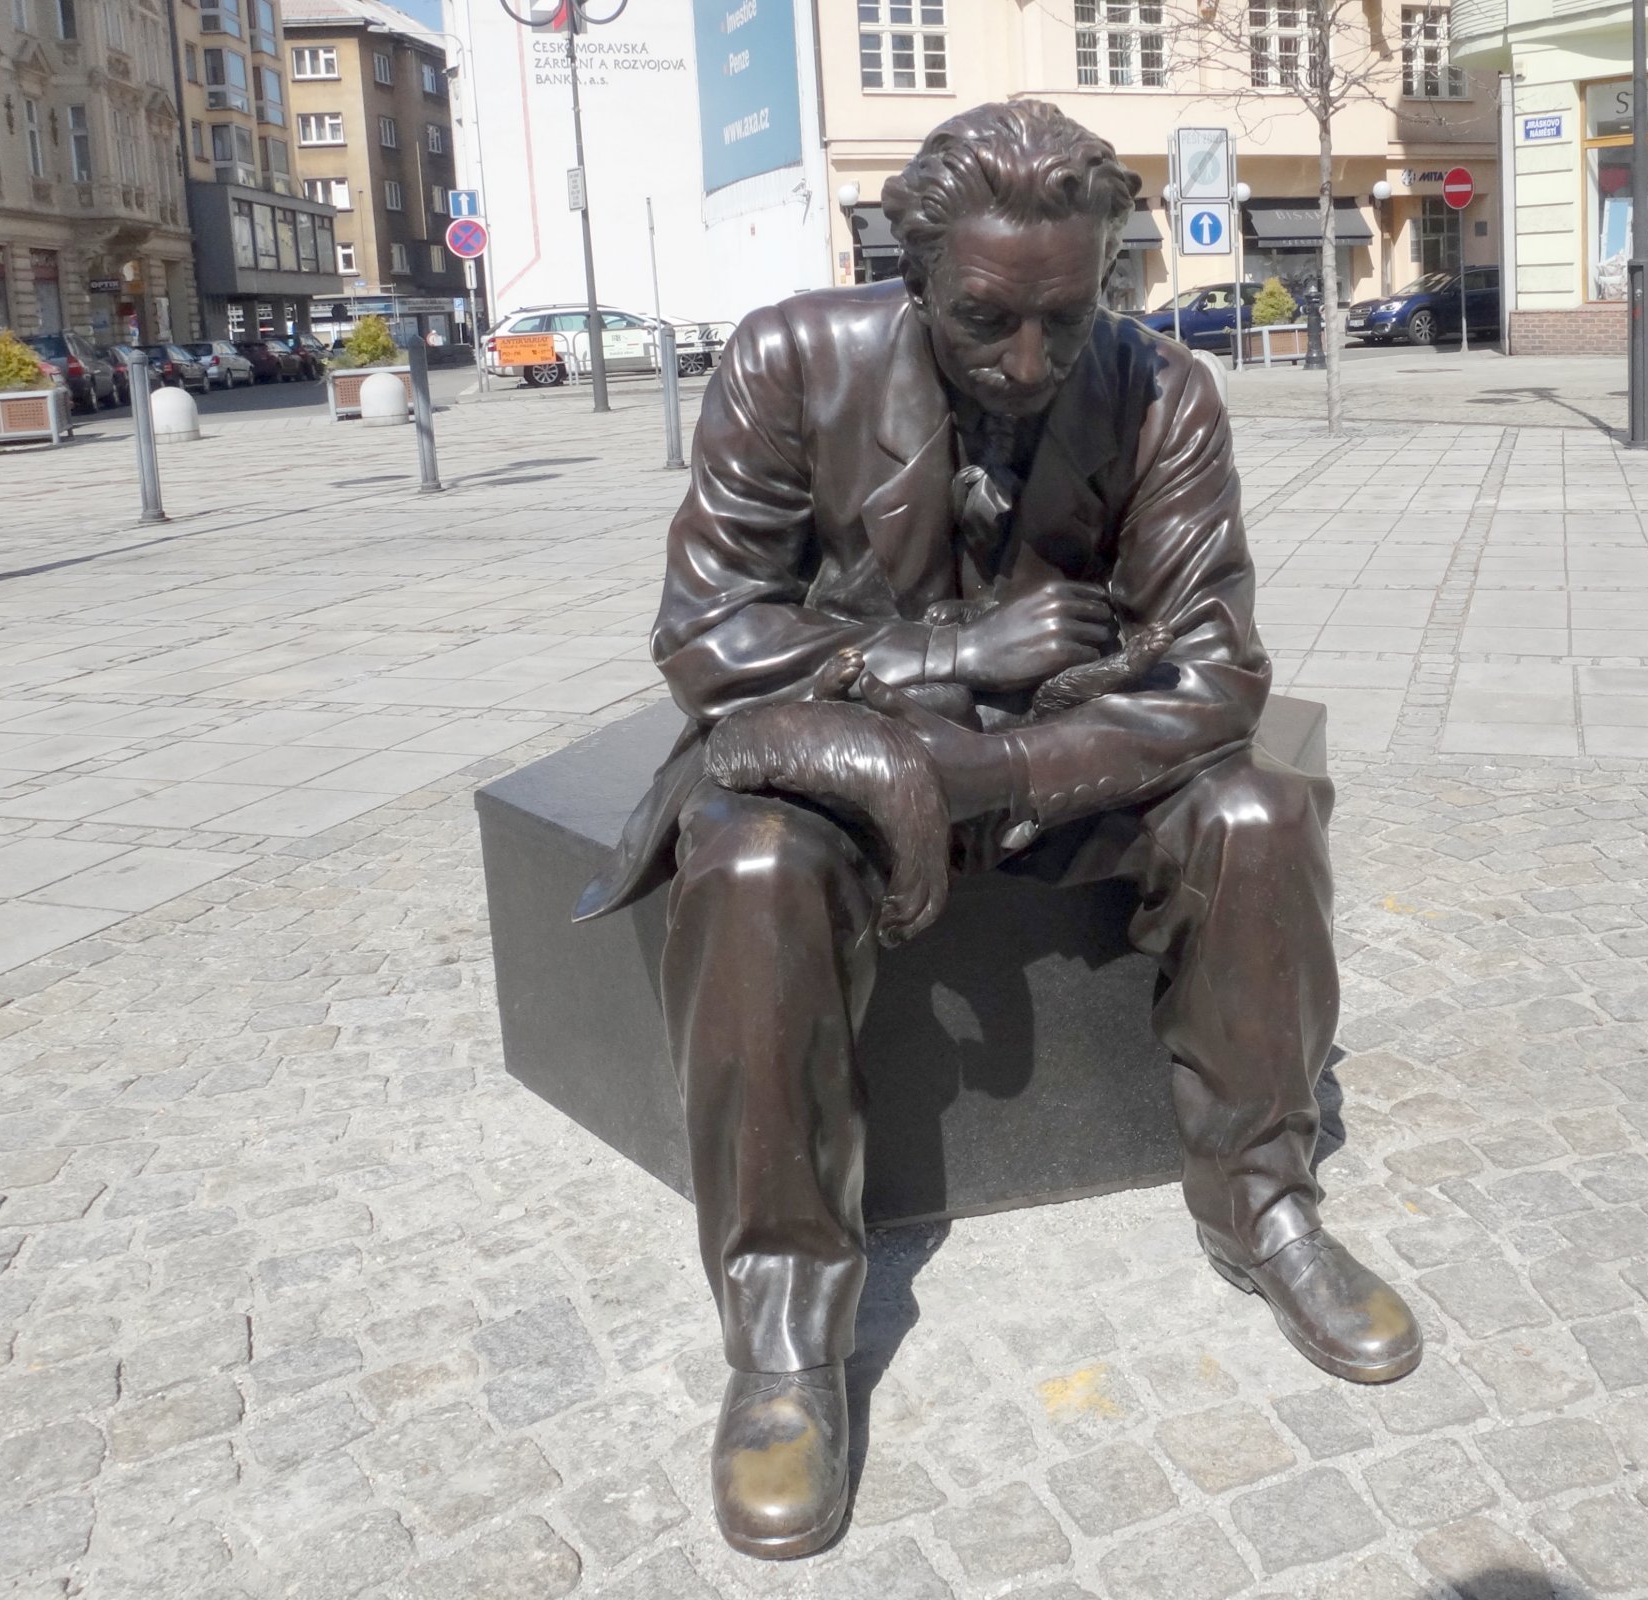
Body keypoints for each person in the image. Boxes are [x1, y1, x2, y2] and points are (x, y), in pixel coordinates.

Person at [578, 99, 1422, 1561]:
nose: (1030, 366)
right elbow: (709, 636)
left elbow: (1215, 671)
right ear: (914, 277)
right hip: (842, 759)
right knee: (755, 859)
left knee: (1263, 810)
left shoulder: (1163, 394)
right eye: (984, 322)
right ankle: (782, 1325)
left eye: (1066, 315)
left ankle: (1266, 1205)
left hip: (1059, 771)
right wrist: (934, 666)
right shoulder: (789, 362)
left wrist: (984, 776)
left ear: (1109, 276)